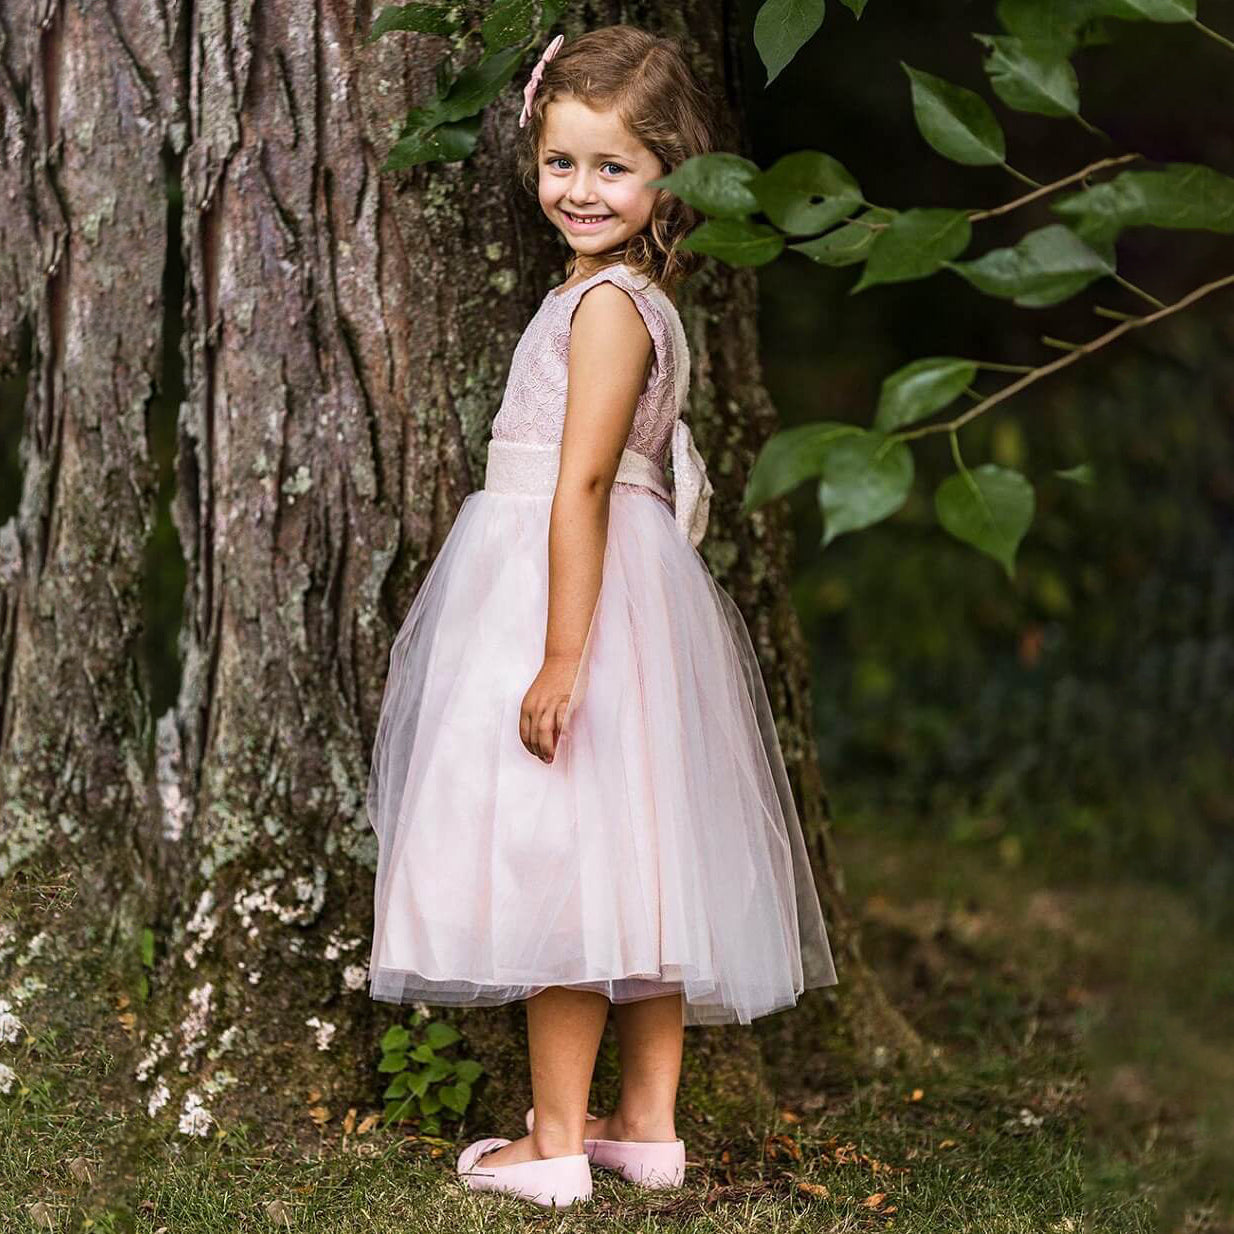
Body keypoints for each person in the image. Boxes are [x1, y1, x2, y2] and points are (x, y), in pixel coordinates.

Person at [365, 23, 839, 1210]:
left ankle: (558, 1140)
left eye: (612, 167)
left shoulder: (609, 309)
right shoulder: (618, 294)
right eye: (561, 162)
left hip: (569, 596)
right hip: (619, 596)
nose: (580, 189)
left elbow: (580, 483)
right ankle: (646, 1125)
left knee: (562, 873)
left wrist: (559, 654)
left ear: (668, 174)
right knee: (637, 870)